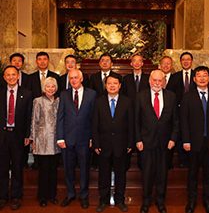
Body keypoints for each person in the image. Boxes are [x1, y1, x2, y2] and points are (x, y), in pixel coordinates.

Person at [180, 66, 209, 213]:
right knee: (192, 174)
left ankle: (208, 202)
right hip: (193, 143)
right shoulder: (187, 97)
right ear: (194, 79)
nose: (202, 78)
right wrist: (185, 140)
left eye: (205, 75)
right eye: (199, 76)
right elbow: (184, 121)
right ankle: (191, 202)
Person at [135, 70, 179, 213]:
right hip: (146, 142)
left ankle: (160, 201)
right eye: (154, 80)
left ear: (164, 82)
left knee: (162, 174)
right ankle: (146, 201)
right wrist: (138, 139)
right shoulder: (140, 96)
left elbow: (176, 121)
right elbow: (136, 121)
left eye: (160, 81)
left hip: (165, 143)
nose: (157, 83)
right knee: (147, 173)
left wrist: (173, 138)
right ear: (149, 81)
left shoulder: (171, 96)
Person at [93, 74, 134, 212]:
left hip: (121, 145)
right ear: (105, 85)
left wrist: (130, 143)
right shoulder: (98, 101)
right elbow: (95, 124)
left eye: (115, 83)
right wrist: (96, 143)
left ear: (120, 85)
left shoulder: (127, 102)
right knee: (103, 174)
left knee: (120, 174)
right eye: (109, 83)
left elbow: (131, 125)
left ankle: (120, 200)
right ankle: (103, 200)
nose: (112, 85)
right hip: (103, 145)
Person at [56, 69, 96, 209]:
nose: (73, 80)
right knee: (68, 169)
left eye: (76, 77)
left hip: (85, 139)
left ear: (81, 79)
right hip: (67, 139)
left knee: (85, 169)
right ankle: (70, 193)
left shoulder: (92, 94)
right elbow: (60, 117)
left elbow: (94, 119)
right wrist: (60, 137)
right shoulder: (64, 94)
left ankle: (84, 196)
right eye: (71, 78)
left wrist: (93, 137)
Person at [0, 66, 32, 210]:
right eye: (8, 75)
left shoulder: (27, 93)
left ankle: (16, 196)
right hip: (2, 135)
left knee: (18, 167)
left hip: (18, 136)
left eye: (14, 74)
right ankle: (2, 196)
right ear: (4, 77)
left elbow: (28, 116)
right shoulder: (0, 92)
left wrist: (27, 135)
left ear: (18, 76)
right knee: (2, 167)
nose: (11, 77)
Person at [30, 77, 60, 207]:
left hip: (56, 140)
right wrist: (33, 138)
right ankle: (42, 197)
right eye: (48, 86)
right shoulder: (38, 101)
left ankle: (52, 195)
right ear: (44, 87)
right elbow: (34, 121)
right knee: (43, 170)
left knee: (53, 170)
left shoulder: (59, 101)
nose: (51, 88)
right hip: (42, 140)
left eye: (53, 86)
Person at [89, 53, 122, 169]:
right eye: (102, 60)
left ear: (112, 64)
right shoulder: (93, 77)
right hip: (100, 113)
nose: (105, 62)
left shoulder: (117, 76)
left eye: (107, 60)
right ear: (99, 63)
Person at [122, 54, 149, 170]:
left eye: (139, 61)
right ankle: (127, 162)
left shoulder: (148, 78)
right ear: (131, 63)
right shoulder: (126, 79)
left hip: (145, 113)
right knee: (129, 134)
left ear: (142, 63)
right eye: (134, 61)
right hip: (129, 112)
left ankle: (142, 163)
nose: (137, 63)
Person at [170, 51, 196, 168]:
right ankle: (182, 159)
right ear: (180, 62)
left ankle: (193, 159)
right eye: (183, 59)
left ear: (191, 61)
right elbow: (170, 95)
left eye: (188, 59)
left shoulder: (197, 75)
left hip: (195, 111)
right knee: (181, 133)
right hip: (179, 111)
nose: (186, 61)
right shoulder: (175, 76)